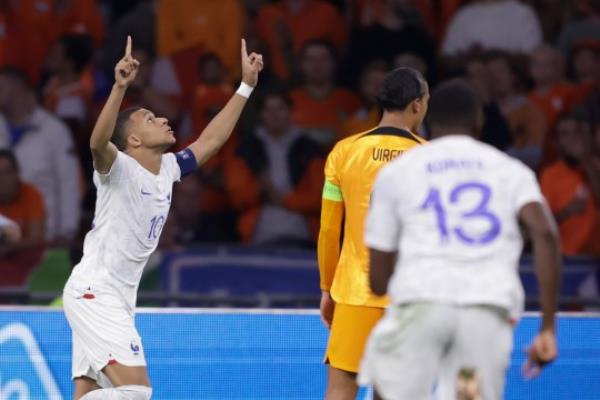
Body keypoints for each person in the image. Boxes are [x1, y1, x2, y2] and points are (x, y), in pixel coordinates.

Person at [62, 36, 263, 399]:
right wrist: (120, 88)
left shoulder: (167, 169)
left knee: (87, 392)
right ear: (134, 141)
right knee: (137, 392)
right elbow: (97, 144)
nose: (163, 118)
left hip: (115, 297)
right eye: (150, 119)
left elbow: (210, 142)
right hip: (97, 294)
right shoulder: (117, 168)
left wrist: (246, 86)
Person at [359, 80, 561, 400]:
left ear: (426, 120)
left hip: (421, 306)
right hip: (484, 312)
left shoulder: (399, 172)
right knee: (468, 393)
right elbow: (546, 233)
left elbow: (379, 280)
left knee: (390, 391)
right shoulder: (510, 170)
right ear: (479, 123)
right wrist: (548, 326)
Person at [317, 67, 429, 399]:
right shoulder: (430, 157)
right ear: (417, 105)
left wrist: (327, 288)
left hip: (354, 291)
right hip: (409, 296)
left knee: (341, 389)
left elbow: (327, 229)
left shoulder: (344, 152)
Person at [226, 90, 324, 246]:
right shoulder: (245, 150)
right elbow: (237, 198)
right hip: (259, 234)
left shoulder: (310, 150)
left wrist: (280, 197)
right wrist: (260, 190)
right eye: (268, 109)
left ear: (290, 111)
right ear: (260, 114)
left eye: (280, 108)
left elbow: (320, 199)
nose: (274, 114)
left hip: (304, 234)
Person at [0, 66, 80, 244]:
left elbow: (68, 183)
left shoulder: (54, 130)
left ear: (18, 88)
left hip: (47, 237)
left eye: (2, 86)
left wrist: (67, 231)